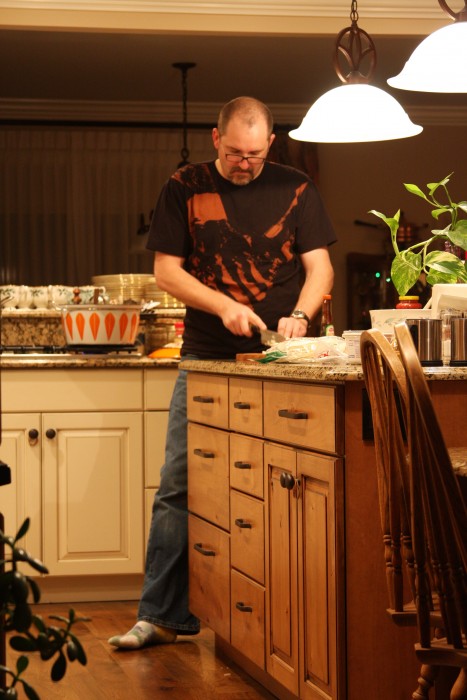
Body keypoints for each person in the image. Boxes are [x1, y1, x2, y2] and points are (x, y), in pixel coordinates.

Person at [108, 96, 336, 650]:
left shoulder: (296, 187)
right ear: (216, 139)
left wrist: (301, 315)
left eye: (254, 154)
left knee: (270, 489)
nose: (244, 164)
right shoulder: (184, 186)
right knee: (179, 483)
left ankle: (273, 620)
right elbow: (165, 271)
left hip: (279, 360)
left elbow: (320, 266)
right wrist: (222, 305)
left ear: (270, 145)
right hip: (207, 356)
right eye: (234, 152)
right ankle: (159, 615)